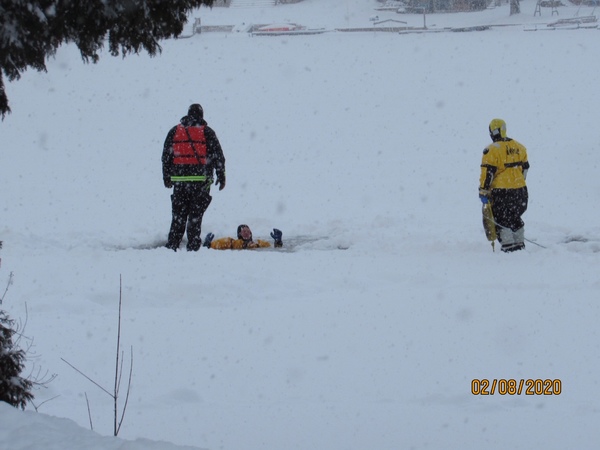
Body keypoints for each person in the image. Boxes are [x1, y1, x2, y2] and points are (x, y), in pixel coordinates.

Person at [162, 104, 226, 251]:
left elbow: (166, 156)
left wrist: (166, 177)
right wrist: (221, 176)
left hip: (180, 182)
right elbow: (219, 156)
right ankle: (193, 247)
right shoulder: (207, 132)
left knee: (178, 217)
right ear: (201, 115)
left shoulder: (174, 131)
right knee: (195, 218)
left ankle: (172, 245)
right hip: (201, 183)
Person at [479, 118, 530, 252]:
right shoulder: (520, 147)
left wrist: (483, 191)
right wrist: (518, 183)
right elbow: (525, 169)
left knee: (502, 219)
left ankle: (509, 247)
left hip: (502, 191)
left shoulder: (491, 150)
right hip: (521, 191)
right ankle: (519, 244)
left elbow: (488, 172)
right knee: (515, 217)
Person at [203, 225, 283, 250]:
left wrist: (278, 242)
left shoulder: (258, 242)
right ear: (239, 234)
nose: (247, 233)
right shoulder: (232, 242)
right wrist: (208, 243)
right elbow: (217, 245)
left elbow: (273, 248)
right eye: (244, 231)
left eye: (248, 231)